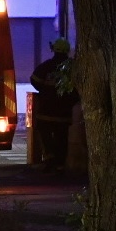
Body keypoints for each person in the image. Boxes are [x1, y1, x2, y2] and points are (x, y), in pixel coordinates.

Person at [30, 37, 79, 174]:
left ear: (54, 50)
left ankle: (49, 160)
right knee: (62, 138)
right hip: (64, 113)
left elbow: (34, 80)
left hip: (46, 111)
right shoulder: (72, 68)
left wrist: (44, 91)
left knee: (46, 136)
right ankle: (60, 165)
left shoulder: (47, 66)